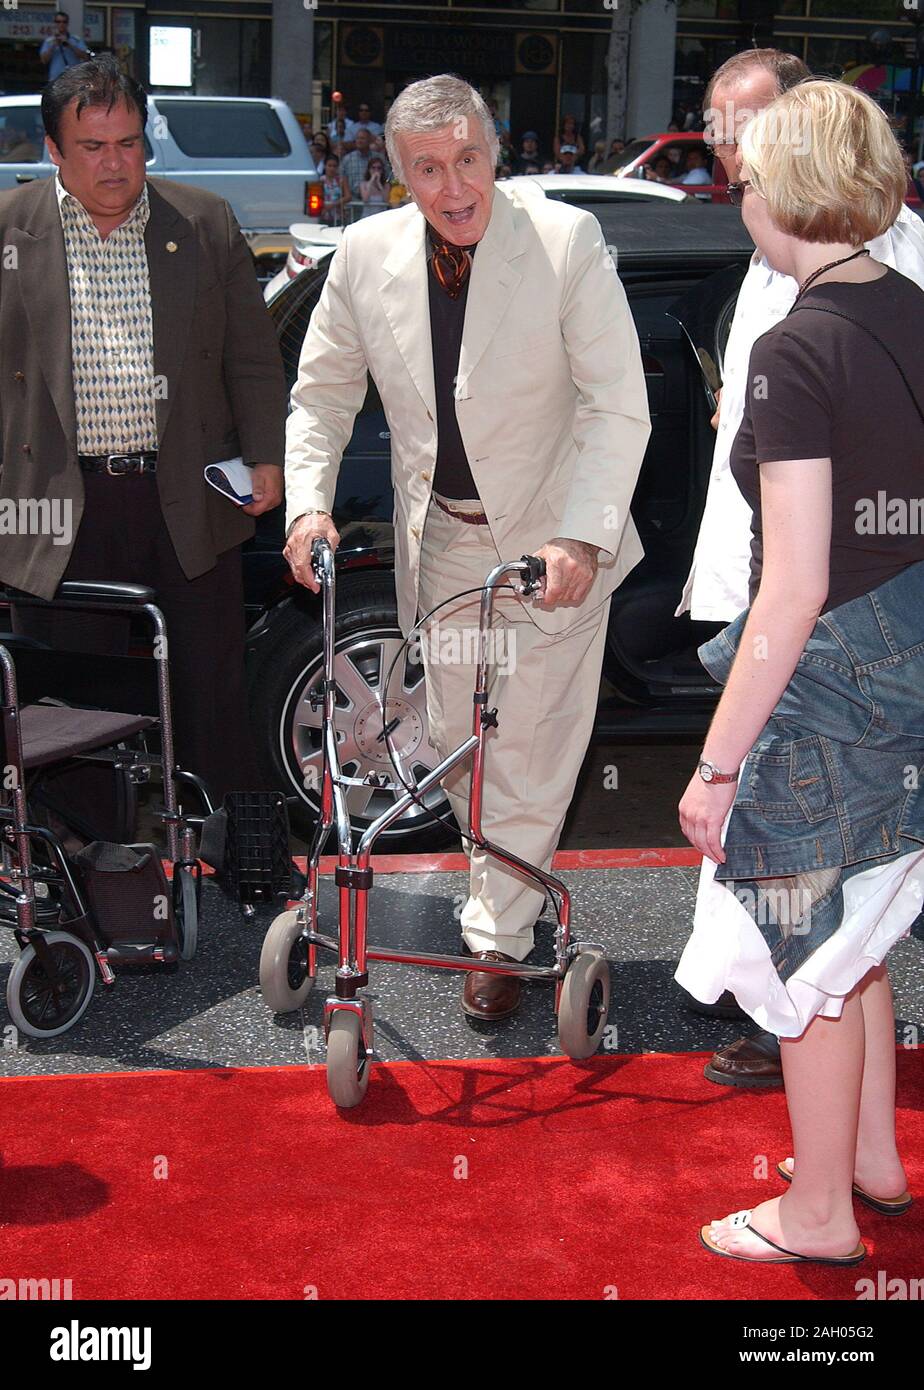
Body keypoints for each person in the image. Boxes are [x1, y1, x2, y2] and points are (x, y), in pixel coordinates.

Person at [284, 74, 650, 1020]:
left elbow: (617, 403)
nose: (453, 188)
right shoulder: (363, 256)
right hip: (440, 538)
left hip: (555, 541)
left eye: (469, 161)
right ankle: (502, 902)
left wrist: (581, 536)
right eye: (428, 168)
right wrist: (305, 508)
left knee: (529, 747)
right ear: (396, 173)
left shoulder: (565, 242)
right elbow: (322, 395)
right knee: (458, 741)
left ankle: (500, 940)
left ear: (497, 155)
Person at [676, 78, 923, 1266]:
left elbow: (794, 584)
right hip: (912, 669)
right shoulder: (916, 311)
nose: (740, 193)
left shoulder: (795, 347)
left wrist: (717, 764)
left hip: (837, 689)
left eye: (750, 177)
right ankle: (871, 1159)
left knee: (804, 948)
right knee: (861, 925)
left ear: (792, 194)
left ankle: (820, 1211)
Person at [0, 57, 286, 802]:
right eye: (92, 147)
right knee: (68, 705)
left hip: (185, 496)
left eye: (128, 143)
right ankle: (84, 870)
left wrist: (265, 458)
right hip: (56, 509)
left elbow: (251, 357)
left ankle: (229, 853)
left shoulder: (203, 221)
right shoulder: (9, 230)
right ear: (54, 152)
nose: (114, 163)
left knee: (208, 685)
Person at [40, 11, 91, 81]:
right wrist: (54, 45)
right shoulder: (49, 41)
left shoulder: (76, 40)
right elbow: (44, 60)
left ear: (67, 23)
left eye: (64, 22)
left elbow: (84, 57)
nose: (61, 24)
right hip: (55, 79)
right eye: (58, 22)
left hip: (73, 79)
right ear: (55, 23)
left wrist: (69, 44)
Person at [319, 153, 350, 227]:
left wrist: (333, 204)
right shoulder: (320, 180)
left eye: (334, 166)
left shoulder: (341, 180)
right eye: (329, 166)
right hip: (323, 214)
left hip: (338, 215)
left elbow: (348, 196)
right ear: (325, 166)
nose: (332, 168)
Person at [341, 127, 373, 198]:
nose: (359, 141)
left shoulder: (378, 158)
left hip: (373, 200)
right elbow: (341, 179)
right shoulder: (347, 159)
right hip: (352, 200)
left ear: (369, 140)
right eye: (357, 138)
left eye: (362, 138)